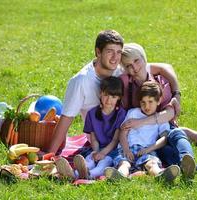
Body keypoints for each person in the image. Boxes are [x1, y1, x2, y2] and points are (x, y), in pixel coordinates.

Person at [47, 30, 182, 154]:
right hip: (101, 141)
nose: (115, 58)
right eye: (109, 51)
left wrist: (176, 94)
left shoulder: (123, 68)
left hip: (131, 131)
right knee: (170, 140)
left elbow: (165, 67)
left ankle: (192, 152)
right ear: (98, 52)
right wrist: (50, 154)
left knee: (172, 136)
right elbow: (66, 119)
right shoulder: (81, 81)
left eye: (118, 52)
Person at [118, 43, 197, 178]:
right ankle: (196, 169)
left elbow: (170, 113)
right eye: (128, 65)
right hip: (152, 146)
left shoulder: (160, 82)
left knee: (177, 134)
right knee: (168, 153)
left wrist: (176, 95)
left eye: (136, 61)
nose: (134, 67)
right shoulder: (126, 86)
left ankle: (189, 162)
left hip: (161, 133)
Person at [104, 81, 181, 182]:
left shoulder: (160, 119)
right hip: (127, 148)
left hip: (146, 149)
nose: (146, 106)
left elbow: (164, 138)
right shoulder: (133, 113)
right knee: (124, 163)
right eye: (143, 102)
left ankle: (161, 175)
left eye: (150, 102)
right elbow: (123, 133)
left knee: (151, 163)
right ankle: (120, 176)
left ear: (158, 101)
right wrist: (126, 149)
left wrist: (149, 149)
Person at [72, 76, 126, 179]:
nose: (109, 100)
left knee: (105, 161)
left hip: (113, 149)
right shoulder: (92, 113)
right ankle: (78, 172)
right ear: (100, 93)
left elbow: (115, 140)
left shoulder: (121, 114)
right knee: (90, 158)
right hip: (97, 147)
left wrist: (103, 153)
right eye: (106, 95)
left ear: (119, 97)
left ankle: (92, 174)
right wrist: (96, 152)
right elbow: (94, 138)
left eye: (113, 97)